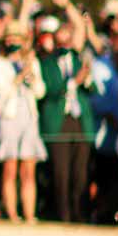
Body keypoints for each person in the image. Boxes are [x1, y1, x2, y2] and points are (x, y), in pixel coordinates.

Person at [38, 18, 98, 224]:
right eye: (60, 39)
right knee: (61, 173)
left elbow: (93, 90)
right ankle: (63, 215)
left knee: (80, 172)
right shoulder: (46, 63)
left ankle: (79, 213)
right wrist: (74, 82)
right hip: (58, 121)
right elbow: (50, 90)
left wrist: (87, 78)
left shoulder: (79, 60)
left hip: (80, 121)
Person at [0, 24, 47, 222]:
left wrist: (31, 76)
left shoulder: (32, 62)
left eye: (17, 38)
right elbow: (1, 90)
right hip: (9, 117)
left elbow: (41, 91)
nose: (13, 42)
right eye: (10, 38)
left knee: (28, 170)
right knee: (10, 168)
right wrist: (19, 77)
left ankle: (30, 214)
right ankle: (12, 213)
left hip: (29, 117)